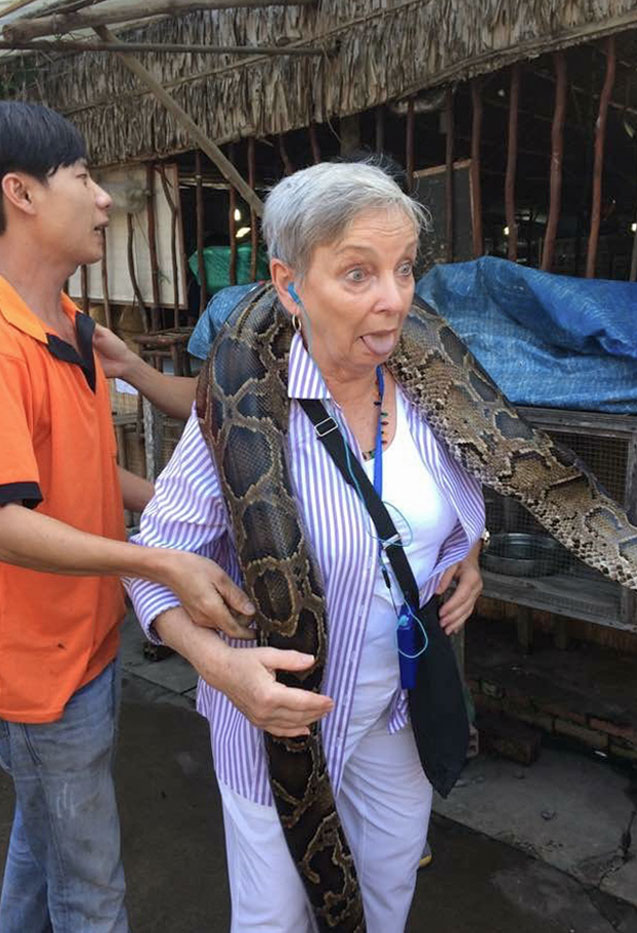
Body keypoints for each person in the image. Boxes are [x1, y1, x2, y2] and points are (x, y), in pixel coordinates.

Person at [126, 160, 485, 932]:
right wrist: (222, 667)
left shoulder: (427, 393)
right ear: (290, 286)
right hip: (279, 724)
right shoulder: (242, 407)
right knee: (274, 921)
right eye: (358, 273)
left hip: (400, 712)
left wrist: (470, 555)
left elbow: (446, 512)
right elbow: (154, 568)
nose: (393, 299)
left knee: (387, 897)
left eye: (403, 269)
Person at [0, 101, 253, 933]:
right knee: (92, 892)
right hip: (41, 668)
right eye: (81, 176)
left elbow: (78, 474)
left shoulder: (71, 327)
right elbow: (6, 519)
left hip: (92, 639)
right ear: (22, 194)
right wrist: (158, 561)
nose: (105, 198)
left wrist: (184, 509)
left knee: (45, 852)